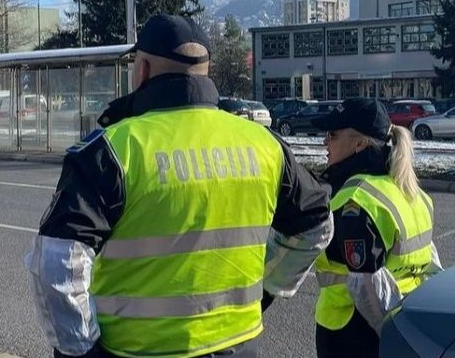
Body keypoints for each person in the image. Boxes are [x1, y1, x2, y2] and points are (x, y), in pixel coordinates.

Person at [24, 14, 333, 358]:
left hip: (136, 351)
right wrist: (267, 288)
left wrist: (81, 350)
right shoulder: (265, 145)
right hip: (239, 346)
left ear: (141, 70)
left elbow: (56, 262)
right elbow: (316, 224)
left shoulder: (113, 150)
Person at [311, 98, 443, 358]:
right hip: (406, 322)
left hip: (353, 335)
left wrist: (393, 336)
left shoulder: (356, 201)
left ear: (359, 143)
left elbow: (368, 289)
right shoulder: (409, 190)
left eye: (333, 135)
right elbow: (433, 266)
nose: (325, 142)